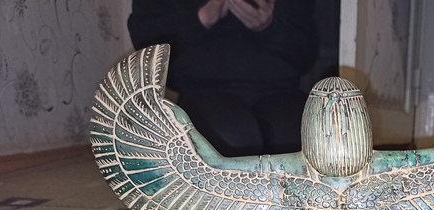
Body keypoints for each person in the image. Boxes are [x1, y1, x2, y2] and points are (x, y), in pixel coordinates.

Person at [128, 0, 318, 156]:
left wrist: (270, 27)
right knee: (234, 137)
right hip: (203, 90)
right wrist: (202, 18)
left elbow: (306, 54)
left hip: (280, 89)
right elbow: (148, 45)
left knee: (301, 139)